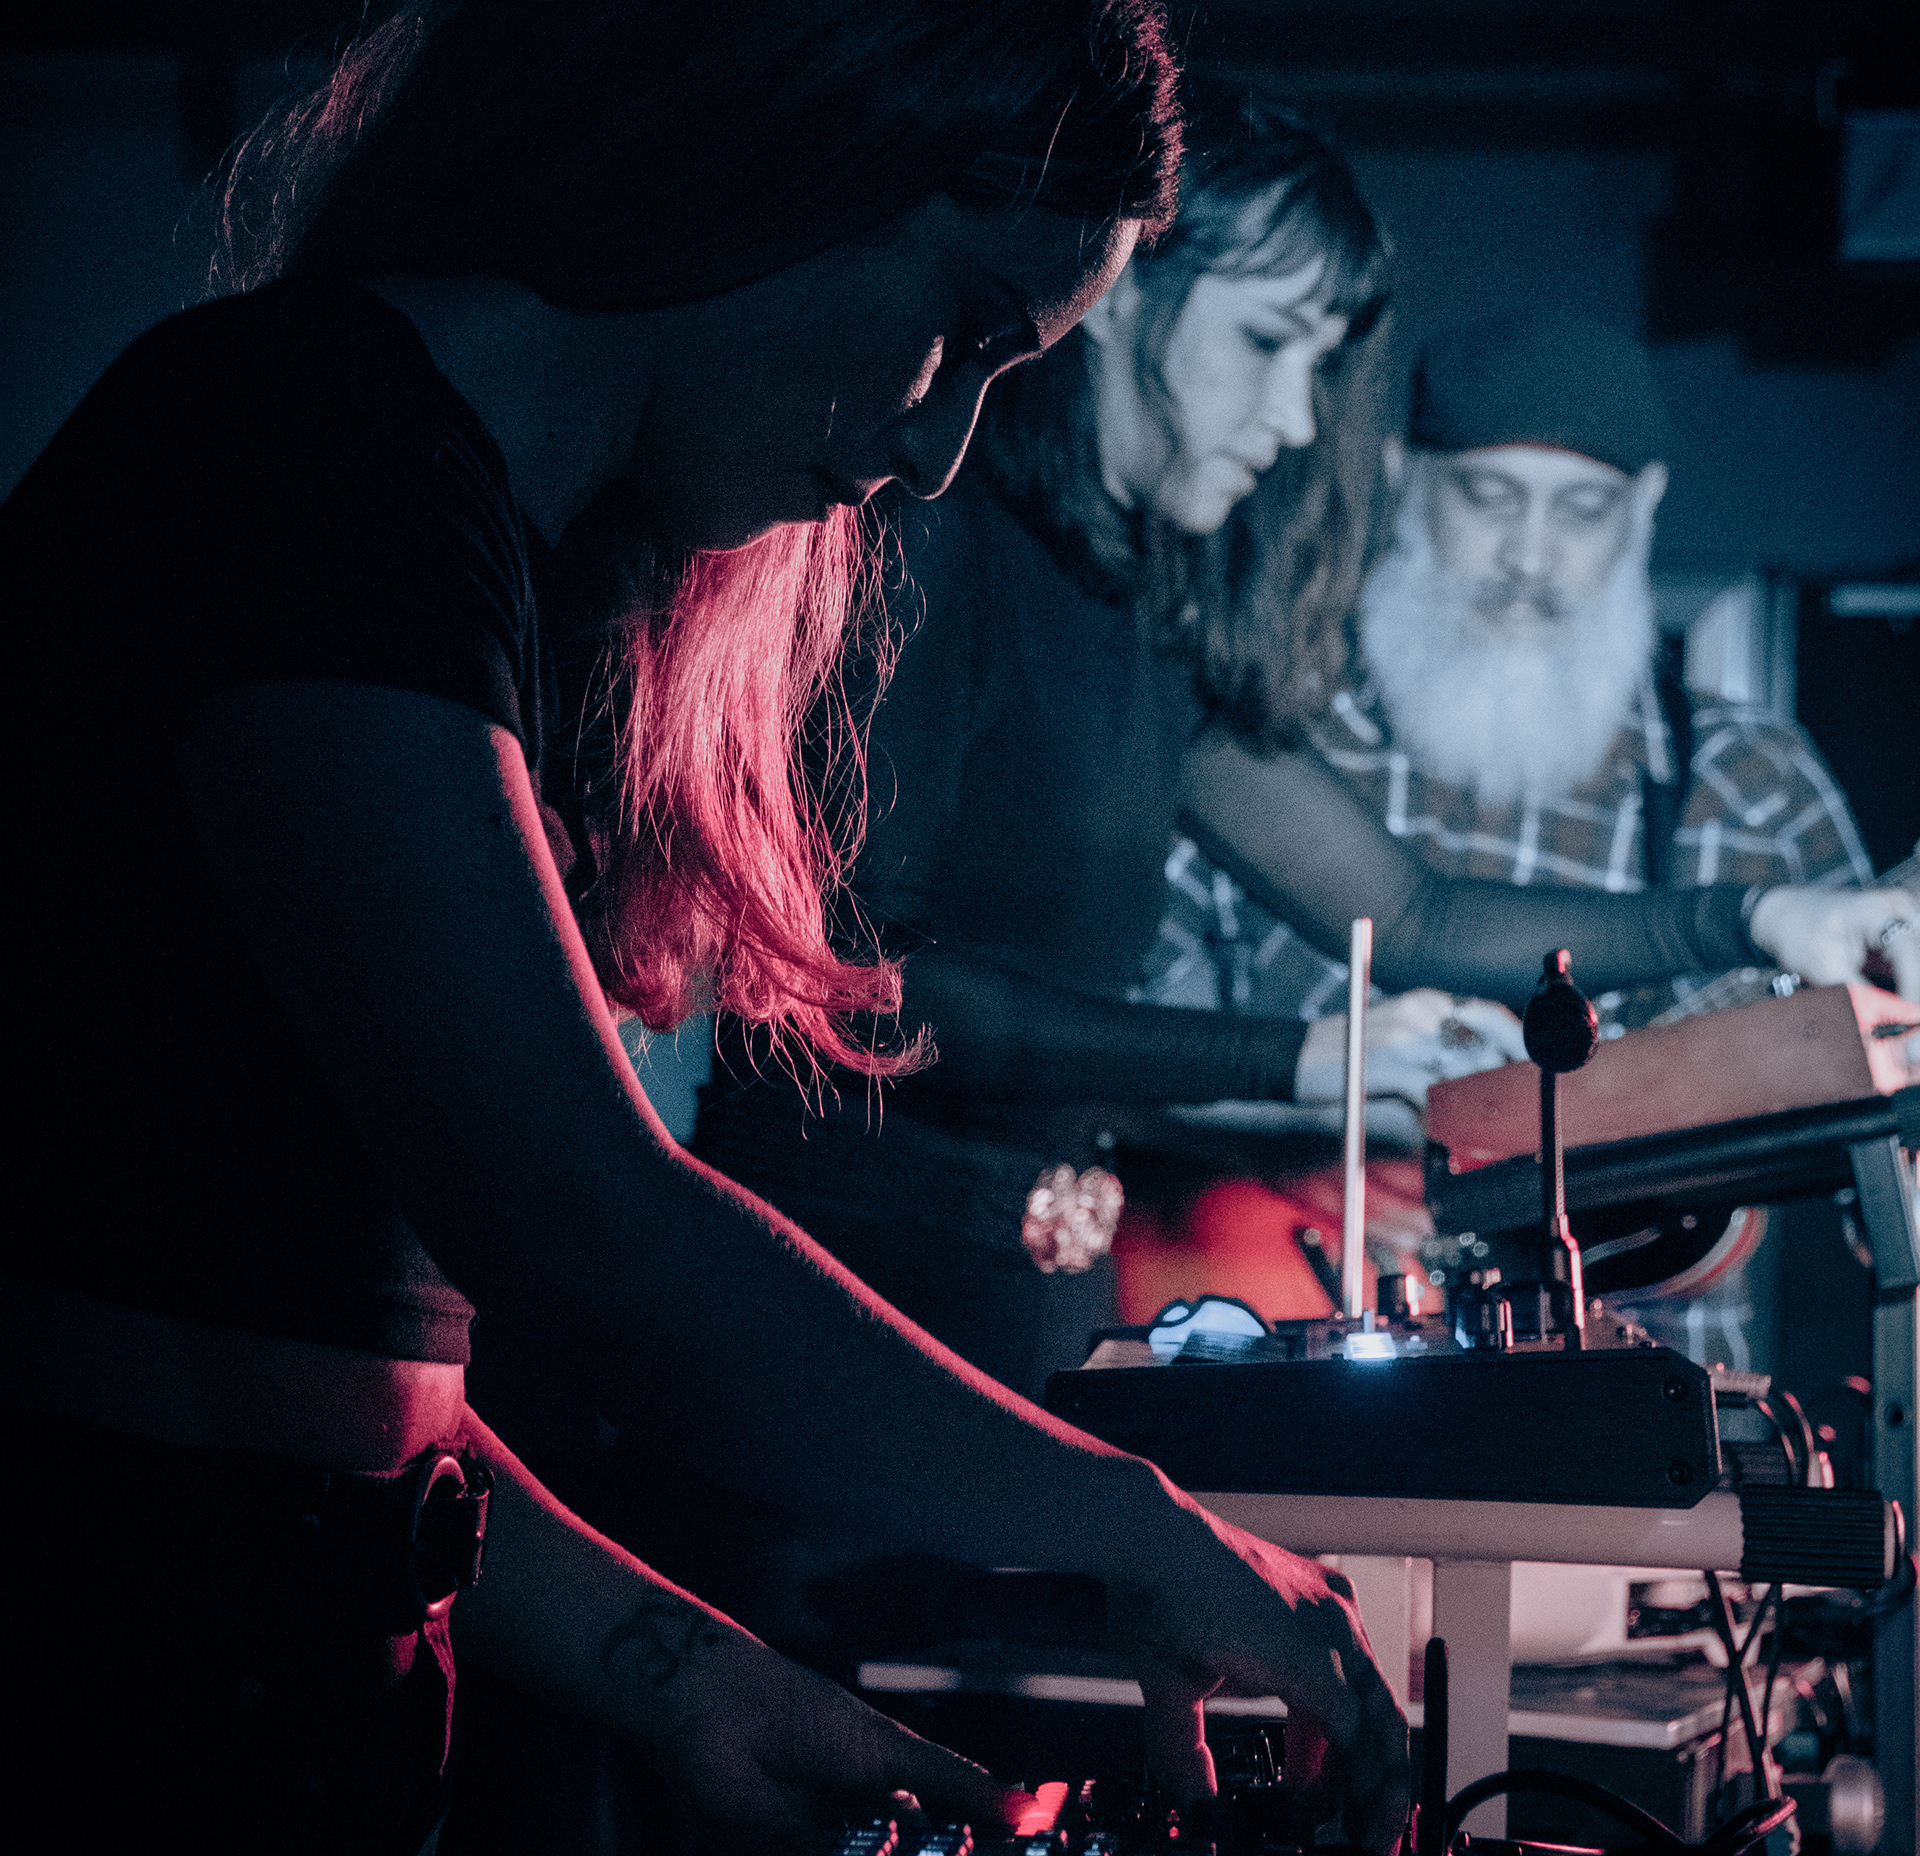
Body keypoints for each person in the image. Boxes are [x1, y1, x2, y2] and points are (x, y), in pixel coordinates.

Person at [0, 0, 1408, 1856]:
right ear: (780, 141)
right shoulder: (301, 455)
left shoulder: (483, 550)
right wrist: (1145, 1529)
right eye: (964, 326)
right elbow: (584, 1231)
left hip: (257, 1771)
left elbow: (298, 1363)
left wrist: (686, 1677)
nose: (942, 450)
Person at [694, 93, 1920, 1410]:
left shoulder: (1150, 615)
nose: (1292, 418)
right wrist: (1300, 1060)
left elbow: (1411, 911)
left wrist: (1763, 915)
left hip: (1035, 1279)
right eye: (1267, 343)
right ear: (1119, 286)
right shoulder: (933, 534)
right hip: (835, 1276)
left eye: (1318, 364)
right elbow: (857, 983)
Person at [1133, 309, 1893, 1324]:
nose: (1530, 557)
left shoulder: (1754, 780)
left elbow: (1874, 1115)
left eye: (1583, 509)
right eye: (1488, 499)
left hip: (1643, 1371)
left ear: (1646, 504)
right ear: (1405, 475)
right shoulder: (1265, 733)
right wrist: (1303, 1129)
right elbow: (1111, 1048)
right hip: (1278, 1340)